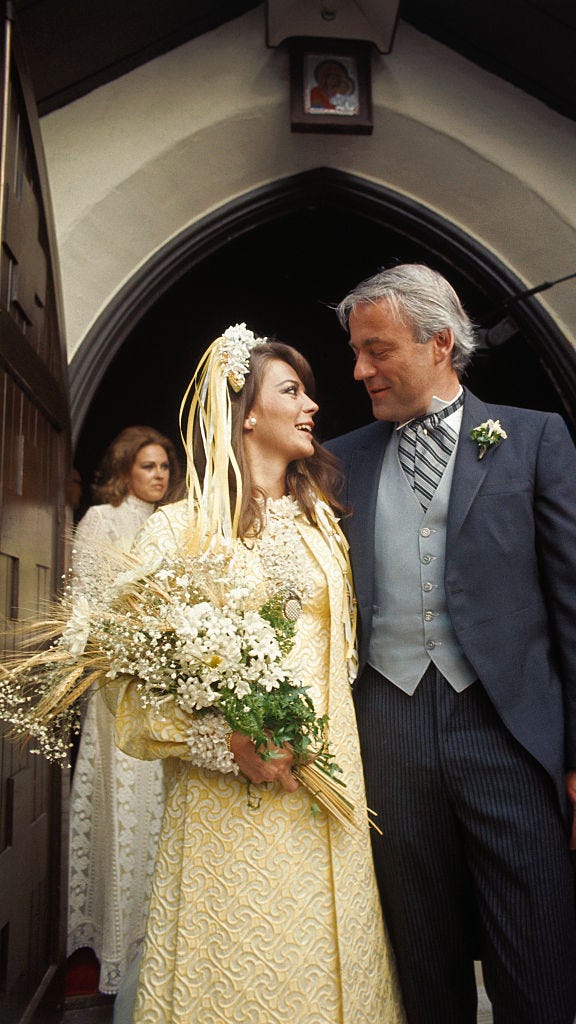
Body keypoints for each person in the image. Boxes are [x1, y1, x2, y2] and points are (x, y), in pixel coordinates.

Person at [326, 263, 576, 1024]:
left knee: (532, 944)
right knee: (417, 949)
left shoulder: (531, 439)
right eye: (356, 352)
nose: (360, 369)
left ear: (439, 342)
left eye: (377, 349)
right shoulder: (337, 460)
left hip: (508, 730)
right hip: (383, 728)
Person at [110, 329, 404, 1024]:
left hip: (332, 785)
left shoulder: (323, 524)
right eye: (291, 391)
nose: (311, 405)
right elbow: (125, 681)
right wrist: (228, 746)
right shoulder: (177, 531)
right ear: (244, 412)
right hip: (231, 804)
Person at [67, 426, 180, 995]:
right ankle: (117, 938)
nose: (159, 475)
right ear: (124, 471)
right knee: (123, 806)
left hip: (168, 689)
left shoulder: (174, 523)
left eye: (164, 466)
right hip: (119, 687)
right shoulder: (100, 522)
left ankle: (161, 935)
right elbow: (86, 609)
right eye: (147, 467)